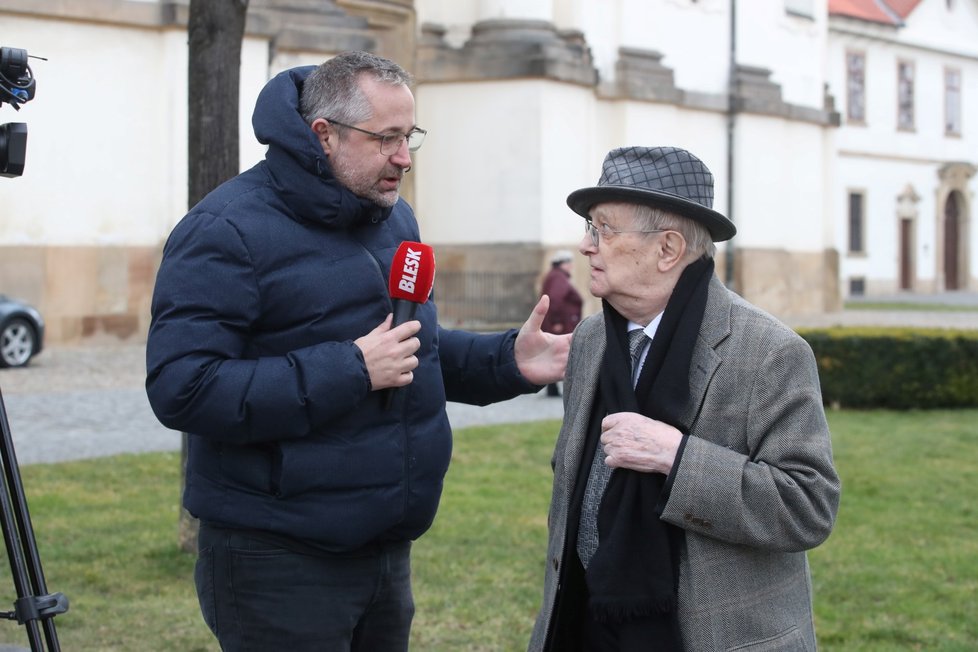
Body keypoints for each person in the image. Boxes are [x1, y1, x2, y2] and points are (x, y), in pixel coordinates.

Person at [144, 51, 570, 652]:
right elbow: (182, 387)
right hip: (276, 557)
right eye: (387, 138)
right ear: (325, 135)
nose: (404, 158)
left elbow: (405, 349)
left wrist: (509, 361)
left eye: (410, 136)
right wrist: (349, 369)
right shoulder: (225, 230)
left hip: (383, 549)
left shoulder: (394, 219)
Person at [527, 146, 841, 651]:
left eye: (603, 229)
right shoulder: (591, 340)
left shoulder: (769, 353)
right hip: (585, 625)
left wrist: (678, 459)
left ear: (668, 249)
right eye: (590, 227)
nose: (587, 245)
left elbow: (808, 506)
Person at [540, 250, 583, 397]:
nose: (571, 266)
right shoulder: (558, 278)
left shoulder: (555, 276)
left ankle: (553, 389)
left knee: (555, 353)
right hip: (561, 324)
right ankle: (562, 389)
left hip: (560, 322)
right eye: (569, 263)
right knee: (564, 354)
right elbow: (555, 299)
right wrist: (557, 320)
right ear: (562, 264)